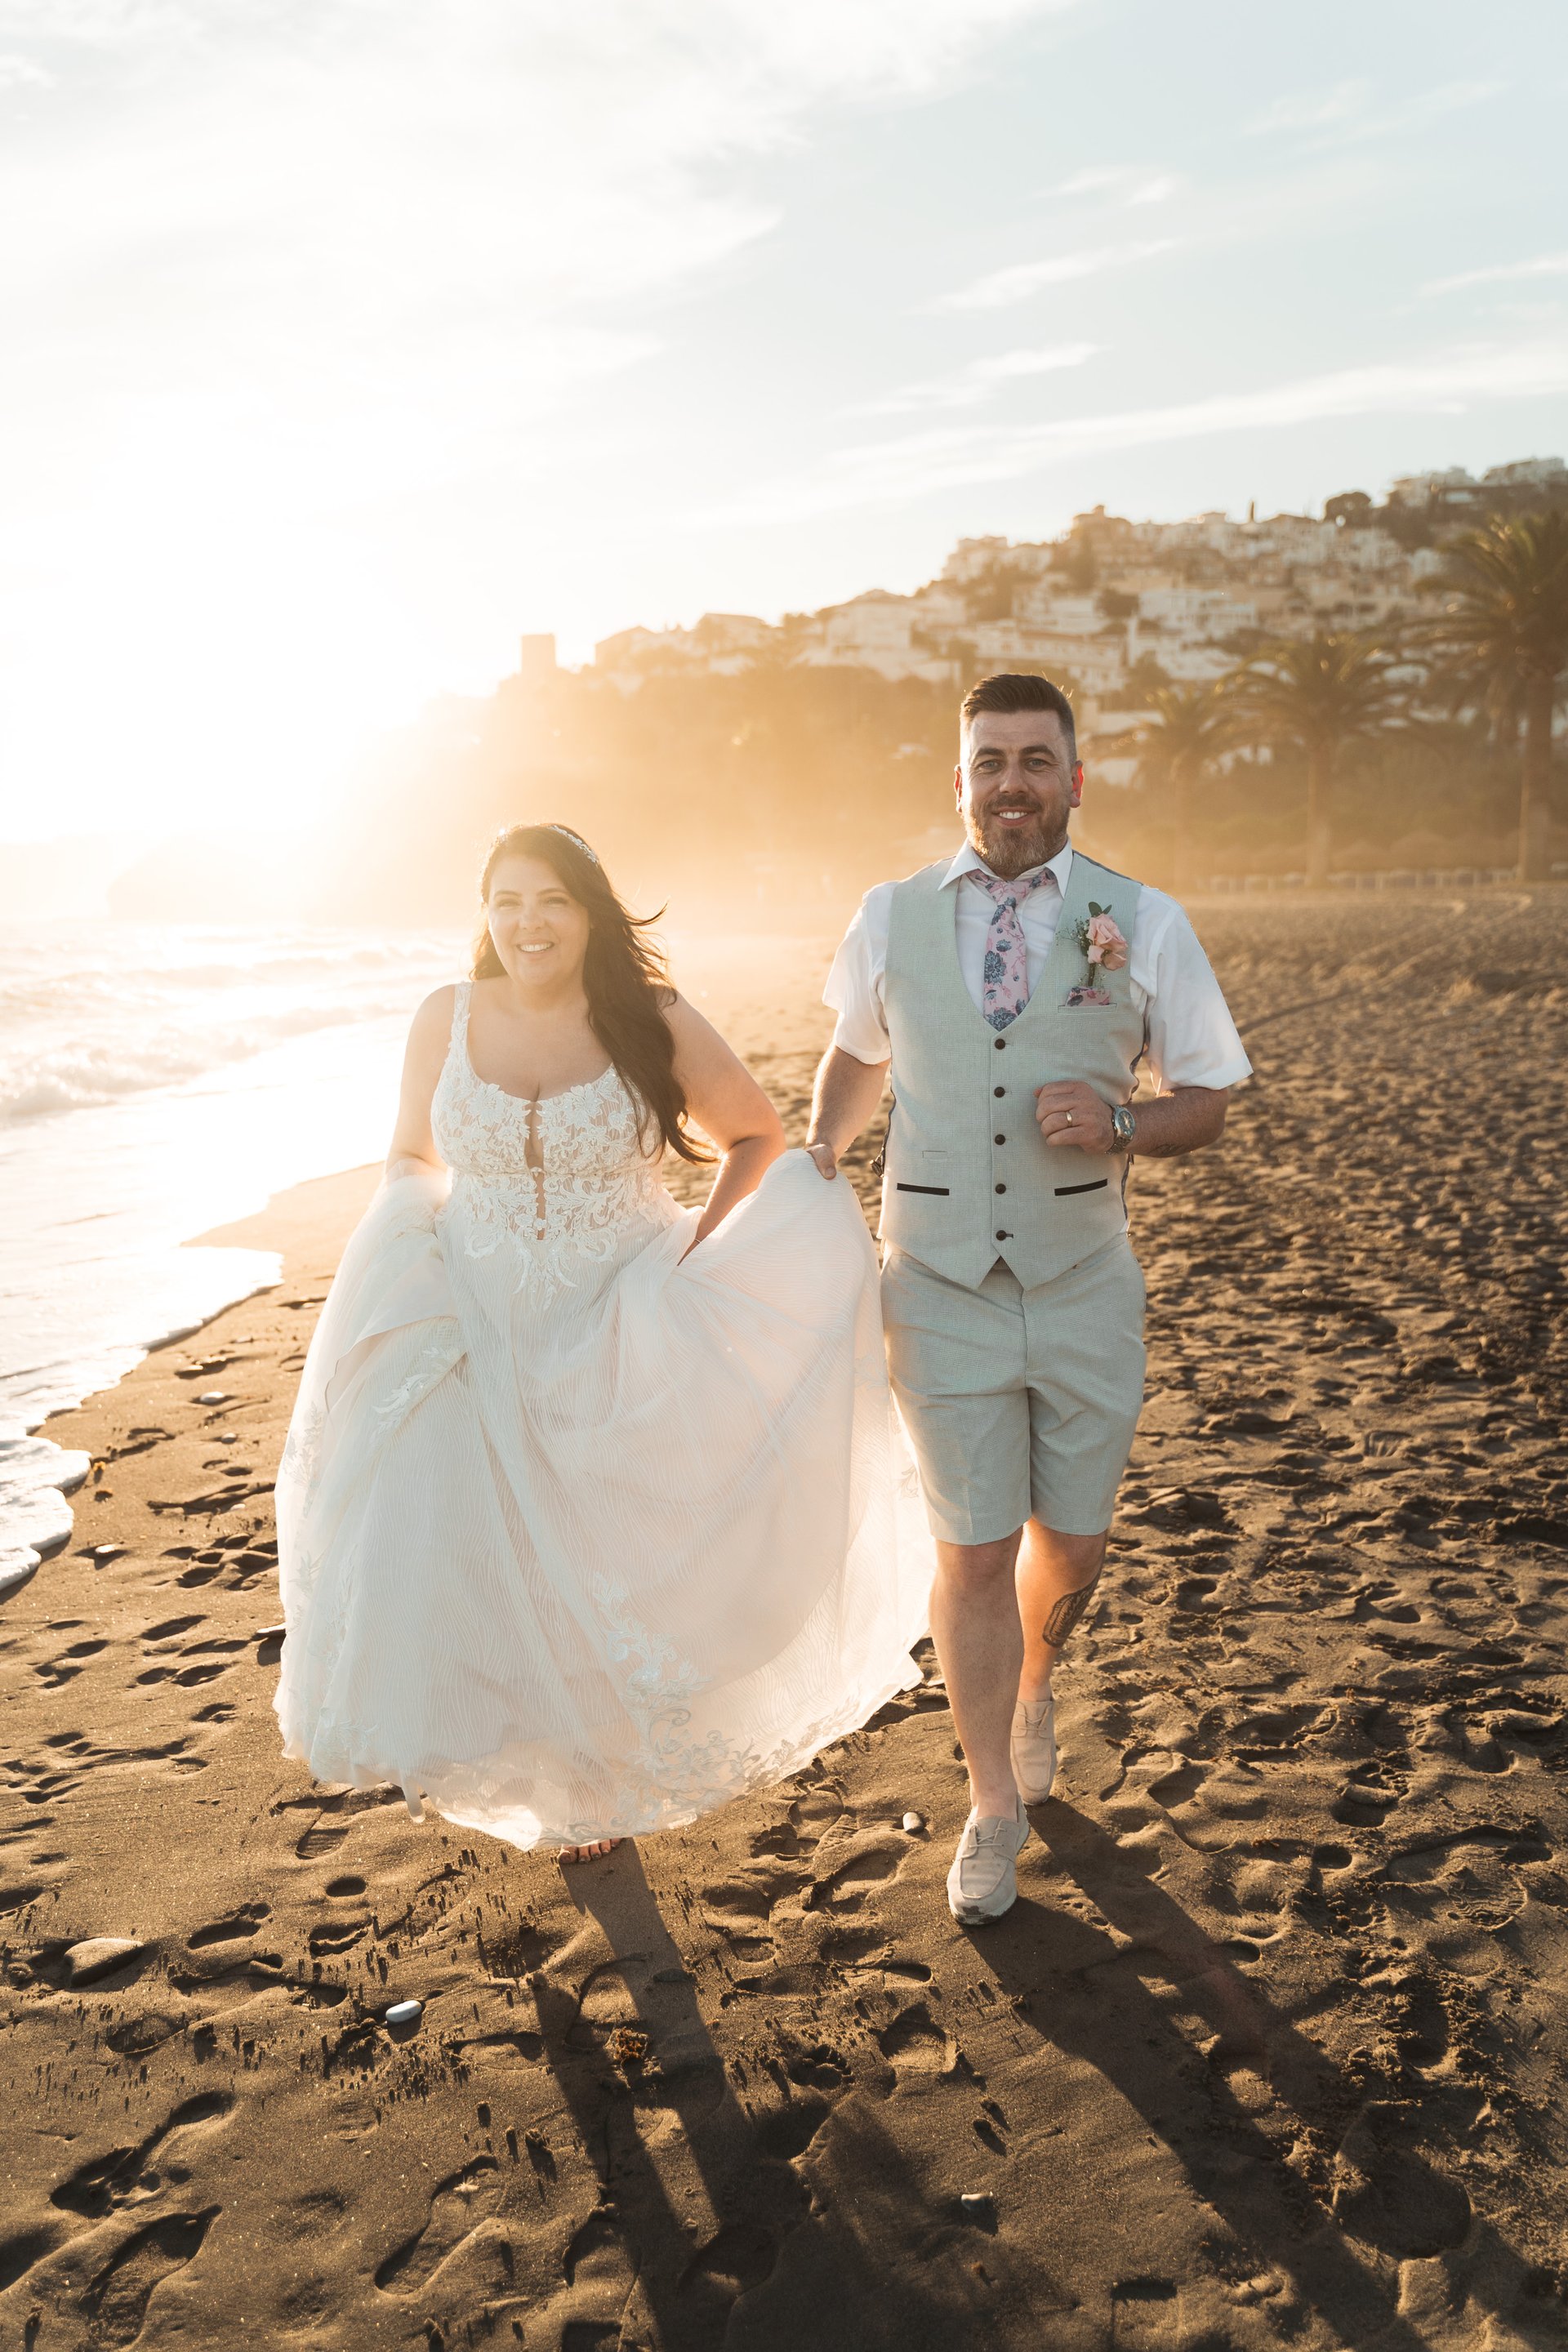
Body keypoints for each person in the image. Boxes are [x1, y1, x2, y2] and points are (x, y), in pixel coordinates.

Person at [274, 823, 929, 1864]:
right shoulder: (444, 1015)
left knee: (606, 1548)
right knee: (477, 1549)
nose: (528, 923)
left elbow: (757, 1135)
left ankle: (597, 1779)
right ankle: (543, 1765)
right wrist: (407, 1258)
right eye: (507, 902)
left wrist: (690, 1263)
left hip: (620, 1310)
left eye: (552, 902)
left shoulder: (649, 1017)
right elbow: (409, 1152)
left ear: (590, 914)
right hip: (472, 1313)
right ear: (484, 915)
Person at [805, 673, 1250, 1925]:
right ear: (959, 780)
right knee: (974, 1547)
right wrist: (824, 1147)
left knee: (1077, 1541)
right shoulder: (889, 917)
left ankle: (1039, 1678)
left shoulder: (1141, 921)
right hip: (935, 1282)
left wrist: (1121, 1120)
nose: (1011, 781)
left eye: (1034, 760)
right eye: (989, 760)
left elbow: (1209, 1095)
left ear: (1074, 776)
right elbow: (856, 1050)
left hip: (1082, 1283)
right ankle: (993, 1800)